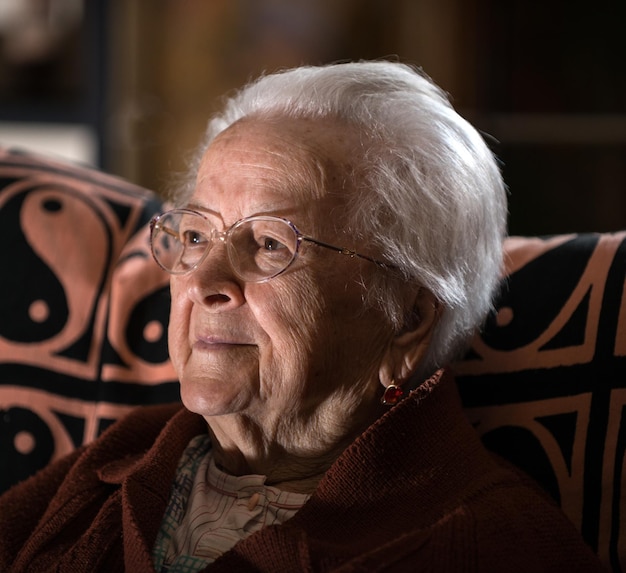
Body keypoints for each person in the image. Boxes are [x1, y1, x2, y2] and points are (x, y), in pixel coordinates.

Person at [0, 61, 605, 572]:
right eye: (195, 234)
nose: (204, 283)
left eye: (268, 245)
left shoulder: (490, 545)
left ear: (407, 318)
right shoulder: (116, 463)